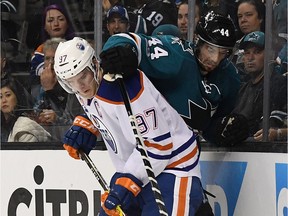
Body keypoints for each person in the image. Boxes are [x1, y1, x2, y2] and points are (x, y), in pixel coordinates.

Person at [54, 37, 213, 215]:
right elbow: (104, 110)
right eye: (71, 81)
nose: (80, 86)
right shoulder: (84, 88)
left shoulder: (126, 86)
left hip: (174, 166)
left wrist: (129, 179)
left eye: (83, 76)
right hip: (137, 169)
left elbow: (158, 146)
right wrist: (89, 124)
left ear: (94, 64)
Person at [101, 11, 249, 146]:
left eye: (223, 53)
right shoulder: (176, 54)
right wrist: (121, 50)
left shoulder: (230, 78)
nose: (215, 59)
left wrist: (221, 130)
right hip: (147, 144)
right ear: (198, 40)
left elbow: (209, 126)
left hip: (186, 153)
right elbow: (127, 39)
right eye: (210, 49)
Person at [233, 31, 287, 141]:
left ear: (270, 55)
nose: (250, 57)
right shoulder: (242, 89)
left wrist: (278, 133)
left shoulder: (280, 84)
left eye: (257, 52)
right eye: (247, 53)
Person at [30, 3, 75, 99]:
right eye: (50, 20)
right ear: (44, 26)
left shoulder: (77, 47)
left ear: (68, 23)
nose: (56, 24)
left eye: (61, 19)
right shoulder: (39, 52)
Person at [1, 78, 51, 142]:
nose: (4, 100)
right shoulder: (4, 125)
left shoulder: (24, 127)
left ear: (17, 97)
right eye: (0, 97)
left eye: (8, 95)